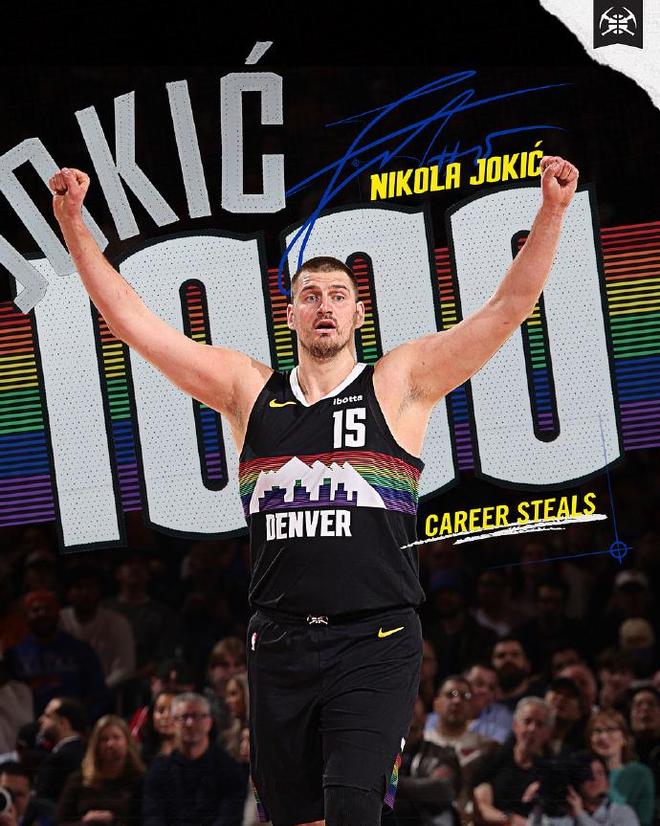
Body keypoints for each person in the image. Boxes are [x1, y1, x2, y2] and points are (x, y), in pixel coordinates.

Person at [49, 155, 579, 826]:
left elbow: (505, 312)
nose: (324, 304)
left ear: (358, 313)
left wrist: (552, 211)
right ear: (291, 313)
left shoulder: (399, 382)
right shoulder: (247, 389)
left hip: (376, 636)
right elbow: (135, 324)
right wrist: (73, 221)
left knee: (353, 807)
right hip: (279, 641)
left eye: (337, 294)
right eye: (310, 295)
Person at [141, 692, 246, 826]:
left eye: (196, 716)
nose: (190, 723)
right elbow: (152, 816)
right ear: (173, 722)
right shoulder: (159, 770)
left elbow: (230, 817)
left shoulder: (228, 769)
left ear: (209, 722)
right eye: (184, 717)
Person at [472, 697, 555, 825]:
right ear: (515, 725)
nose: (532, 729)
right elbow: (481, 808)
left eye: (539, 724)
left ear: (547, 733)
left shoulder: (551, 771)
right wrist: (511, 819)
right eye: (527, 721)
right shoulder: (493, 758)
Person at [57, 715, 144, 826]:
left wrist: (113, 819)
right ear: (96, 745)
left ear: (127, 742)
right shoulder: (78, 780)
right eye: (104, 739)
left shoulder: (139, 780)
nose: (110, 744)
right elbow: (60, 822)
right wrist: (86, 822)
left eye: (116, 738)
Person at [587, 709, 655, 826]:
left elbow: (644, 820)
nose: (603, 737)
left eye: (610, 730)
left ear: (624, 738)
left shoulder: (639, 774)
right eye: (597, 731)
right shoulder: (580, 772)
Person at [34, 697, 87, 805]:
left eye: (47, 716)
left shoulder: (57, 760)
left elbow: (43, 804)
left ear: (63, 723)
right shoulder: (89, 751)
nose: (40, 719)